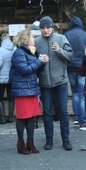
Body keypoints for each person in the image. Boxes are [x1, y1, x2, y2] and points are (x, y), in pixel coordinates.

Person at [35, 16, 73, 150]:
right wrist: (38, 61)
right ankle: (49, 140)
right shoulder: (36, 42)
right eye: (43, 28)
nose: (45, 30)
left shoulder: (61, 39)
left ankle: (66, 140)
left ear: (52, 28)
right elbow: (33, 62)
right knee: (46, 112)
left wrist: (60, 51)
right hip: (44, 83)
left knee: (63, 111)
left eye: (48, 28)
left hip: (60, 81)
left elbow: (70, 56)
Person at [10, 29, 45, 154]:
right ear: (26, 39)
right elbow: (25, 70)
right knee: (22, 117)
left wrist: (42, 62)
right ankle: (21, 143)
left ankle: (30, 143)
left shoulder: (32, 52)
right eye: (32, 37)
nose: (34, 39)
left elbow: (36, 69)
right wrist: (39, 61)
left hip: (31, 89)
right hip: (22, 90)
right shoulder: (19, 53)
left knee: (31, 118)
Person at [64, 16, 86, 129]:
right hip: (82, 67)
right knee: (82, 94)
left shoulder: (66, 35)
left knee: (74, 92)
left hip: (70, 67)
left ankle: (76, 117)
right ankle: (83, 121)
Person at [0, 33, 15, 124]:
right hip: (11, 77)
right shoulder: (14, 49)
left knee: (0, 98)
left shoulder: (0, 50)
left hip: (1, 77)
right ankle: (11, 117)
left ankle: (3, 118)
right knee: (11, 98)